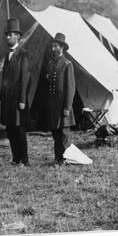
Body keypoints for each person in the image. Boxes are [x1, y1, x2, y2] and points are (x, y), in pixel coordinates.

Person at [42, 32, 76, 166]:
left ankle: (66, 159)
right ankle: (58, 159)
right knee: (55, 133)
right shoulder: (50, 64)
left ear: (61, 47)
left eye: (55, 46)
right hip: (53, 105)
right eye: (52, 46)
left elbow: (70, 88)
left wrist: (67, 107)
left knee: (64, 134)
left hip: (63, 105)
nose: (53, 49)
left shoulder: (67, 64)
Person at [0, 18, 30, 166]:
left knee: (19, 130)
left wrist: (23, 100)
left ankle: (24, 159)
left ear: (17, 36)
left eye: (10, 35)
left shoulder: (23, 54)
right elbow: (5, 78)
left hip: (18, 100)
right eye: (7, 35)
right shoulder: (7, 55)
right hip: (7, 100)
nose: (7, 37)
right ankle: (15, 158)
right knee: (10, 129)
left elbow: (24, 79)